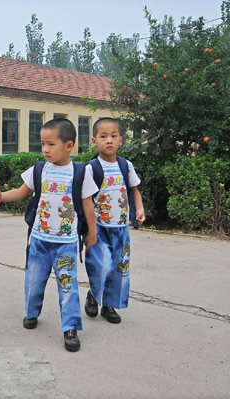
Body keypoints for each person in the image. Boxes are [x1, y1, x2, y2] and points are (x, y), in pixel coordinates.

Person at [0, 118, 98, 352]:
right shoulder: (39, 170)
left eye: (51, 144)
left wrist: (91, 233)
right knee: (33, 281)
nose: (45, 149)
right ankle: (32, 313)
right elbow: (21, 192)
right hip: (39, 241)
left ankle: (70, 328)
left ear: (69, 145)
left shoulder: (81, 172)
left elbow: (88, 205)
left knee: (67, 285)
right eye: (43, 143)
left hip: (66, 244)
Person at [84, 117, 145, 324]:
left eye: (113, 136)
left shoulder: (126, 166)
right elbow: (86, 199)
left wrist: (139, 209)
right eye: (103, 136)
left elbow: (134, 190)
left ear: (121, 140)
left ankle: (109, 305)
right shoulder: (91, 168)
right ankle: (93, 294)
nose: (108, 140)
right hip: (99, 228)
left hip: (121, 228)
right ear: (94, 141)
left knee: (120, 266)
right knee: (101, 265)